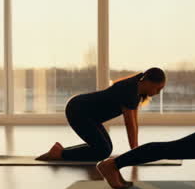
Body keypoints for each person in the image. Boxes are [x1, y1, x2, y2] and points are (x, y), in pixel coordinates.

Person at [37, 68, 167, 162]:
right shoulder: (129, 90)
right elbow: (129, 124)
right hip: (78, 110)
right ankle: (60, 154)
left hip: (90, 117)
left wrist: (136, 149)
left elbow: (134, 121)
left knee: (105, 149)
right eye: (158, 88)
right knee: (102, 151)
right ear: (149, 82)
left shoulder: (136, 91)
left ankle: (59, 151)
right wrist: (135, 152)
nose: (158, 92)